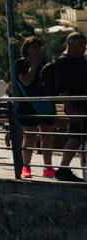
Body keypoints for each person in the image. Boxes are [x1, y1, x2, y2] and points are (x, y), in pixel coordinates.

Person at [38, 33, 87, 182]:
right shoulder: (63, 62)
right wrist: (71, 109)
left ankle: (65, 169)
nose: (84, 47)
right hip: (77, 107)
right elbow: (62, 88)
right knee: (75, 137)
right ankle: (63, 169)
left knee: (78, 137)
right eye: (82, 44)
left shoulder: (80, 60)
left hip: (82, 106)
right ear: (70, 44)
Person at [17, 35, 56, 177]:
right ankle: (26, 167)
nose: (37, 49)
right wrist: (33, 65)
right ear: (26, 49)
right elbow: (26, 82)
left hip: (46, 103)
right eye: (34, 47)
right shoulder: (20, 64)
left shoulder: (45, 64)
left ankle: (48, 167)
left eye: (39, 47)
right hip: (28, 104)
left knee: (47, 136)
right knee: (30, 136)